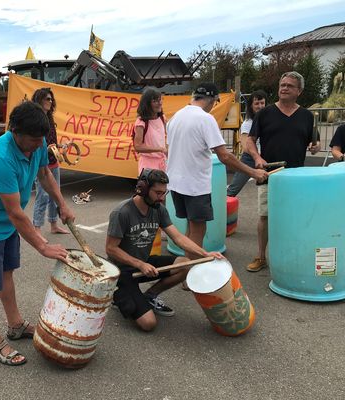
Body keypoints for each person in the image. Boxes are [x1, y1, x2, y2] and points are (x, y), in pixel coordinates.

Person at [0, 101, 75, 366]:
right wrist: (43, 245)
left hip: (7, 223)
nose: (38, 145)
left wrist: (62, 204)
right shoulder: (1, 158)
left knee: (6, 272)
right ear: (15, 132)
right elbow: (15, 213)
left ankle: (15, 325)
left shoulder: (38, 142)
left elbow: (45, 174)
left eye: (40, 140)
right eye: (34, 140)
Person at [106, 169, 223, 331]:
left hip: (145, 264)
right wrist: (140, 264)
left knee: (186, 264)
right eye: (158, 193)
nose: (162, 198)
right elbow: (111, 249)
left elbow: (178, 237)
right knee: (148, 324)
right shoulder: (122, 212)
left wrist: (204, 254)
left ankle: (149, 296)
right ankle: (117, 295)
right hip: (123, 272)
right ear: (143, 189)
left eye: (164, 193)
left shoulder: (158, 209)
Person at [166, 83, 267, 259]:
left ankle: (184, 270)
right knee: (198, 229)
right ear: (212, 100)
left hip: (176, 184)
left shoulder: (176, 117)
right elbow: (225, 156)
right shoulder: (205, 119)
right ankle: (188, 274)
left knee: (191, 226)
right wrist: (253, 172)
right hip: (195, 186)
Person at [246, 71, 321, 272]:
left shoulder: (306, 116)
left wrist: (315, 147)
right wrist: (257, 158)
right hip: (269, 174)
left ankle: (292, 255)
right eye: (282, 84)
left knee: (294, 216)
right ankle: (261, 256)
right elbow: (250, 140)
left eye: (289, 85)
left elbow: (314, 142)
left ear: (299, 91)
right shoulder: (264, 113)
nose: (284, 88)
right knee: (265, 216)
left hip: (296, 177)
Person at [31, 88, 70, 241]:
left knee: (55, 193)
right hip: (41, 164)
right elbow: (35, 143)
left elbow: (51, 142)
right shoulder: (36, 120)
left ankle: (53, 225)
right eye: (47, 98)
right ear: (39, 100)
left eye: (51, 99)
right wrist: (47, 148)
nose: (50, 101)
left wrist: (61, 146)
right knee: (42, 195)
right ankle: (36, 228)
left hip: (53, 162)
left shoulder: (50, 118)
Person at [227, 90, 267, 196]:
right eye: (256, 103)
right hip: (249, 159)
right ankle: (221, 208)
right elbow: (245, 147)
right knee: (234, 189)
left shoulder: (268, 120)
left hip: (265, 158)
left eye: (262, 103)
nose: (260, 106)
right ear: (251, 106)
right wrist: (257, 157)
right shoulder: (248, 123)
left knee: (268, 188)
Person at [133, 88, 167, 172]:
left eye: (160, 100)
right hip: (148, 166)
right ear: (147, 104)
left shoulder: (163, 118)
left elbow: (168, 136)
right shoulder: (141, 122)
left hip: (163, 163)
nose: (159, 103)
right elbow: (137, 146)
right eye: (155, 101)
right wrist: (160, 149)